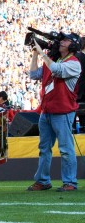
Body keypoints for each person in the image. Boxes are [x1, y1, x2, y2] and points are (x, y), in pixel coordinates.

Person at [27, 33, 82, 192]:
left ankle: (70, 182)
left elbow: (57, 70)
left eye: (66, 40)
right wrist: (35, 54)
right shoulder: (53, 60)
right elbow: (33, 74)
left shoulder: (74, 63)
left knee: (66, 149)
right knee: (44, 148)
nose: (61, 42)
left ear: (73, 45)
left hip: (62, 111)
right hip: (47, 111)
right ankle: (43, 180)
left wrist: (42, 53)